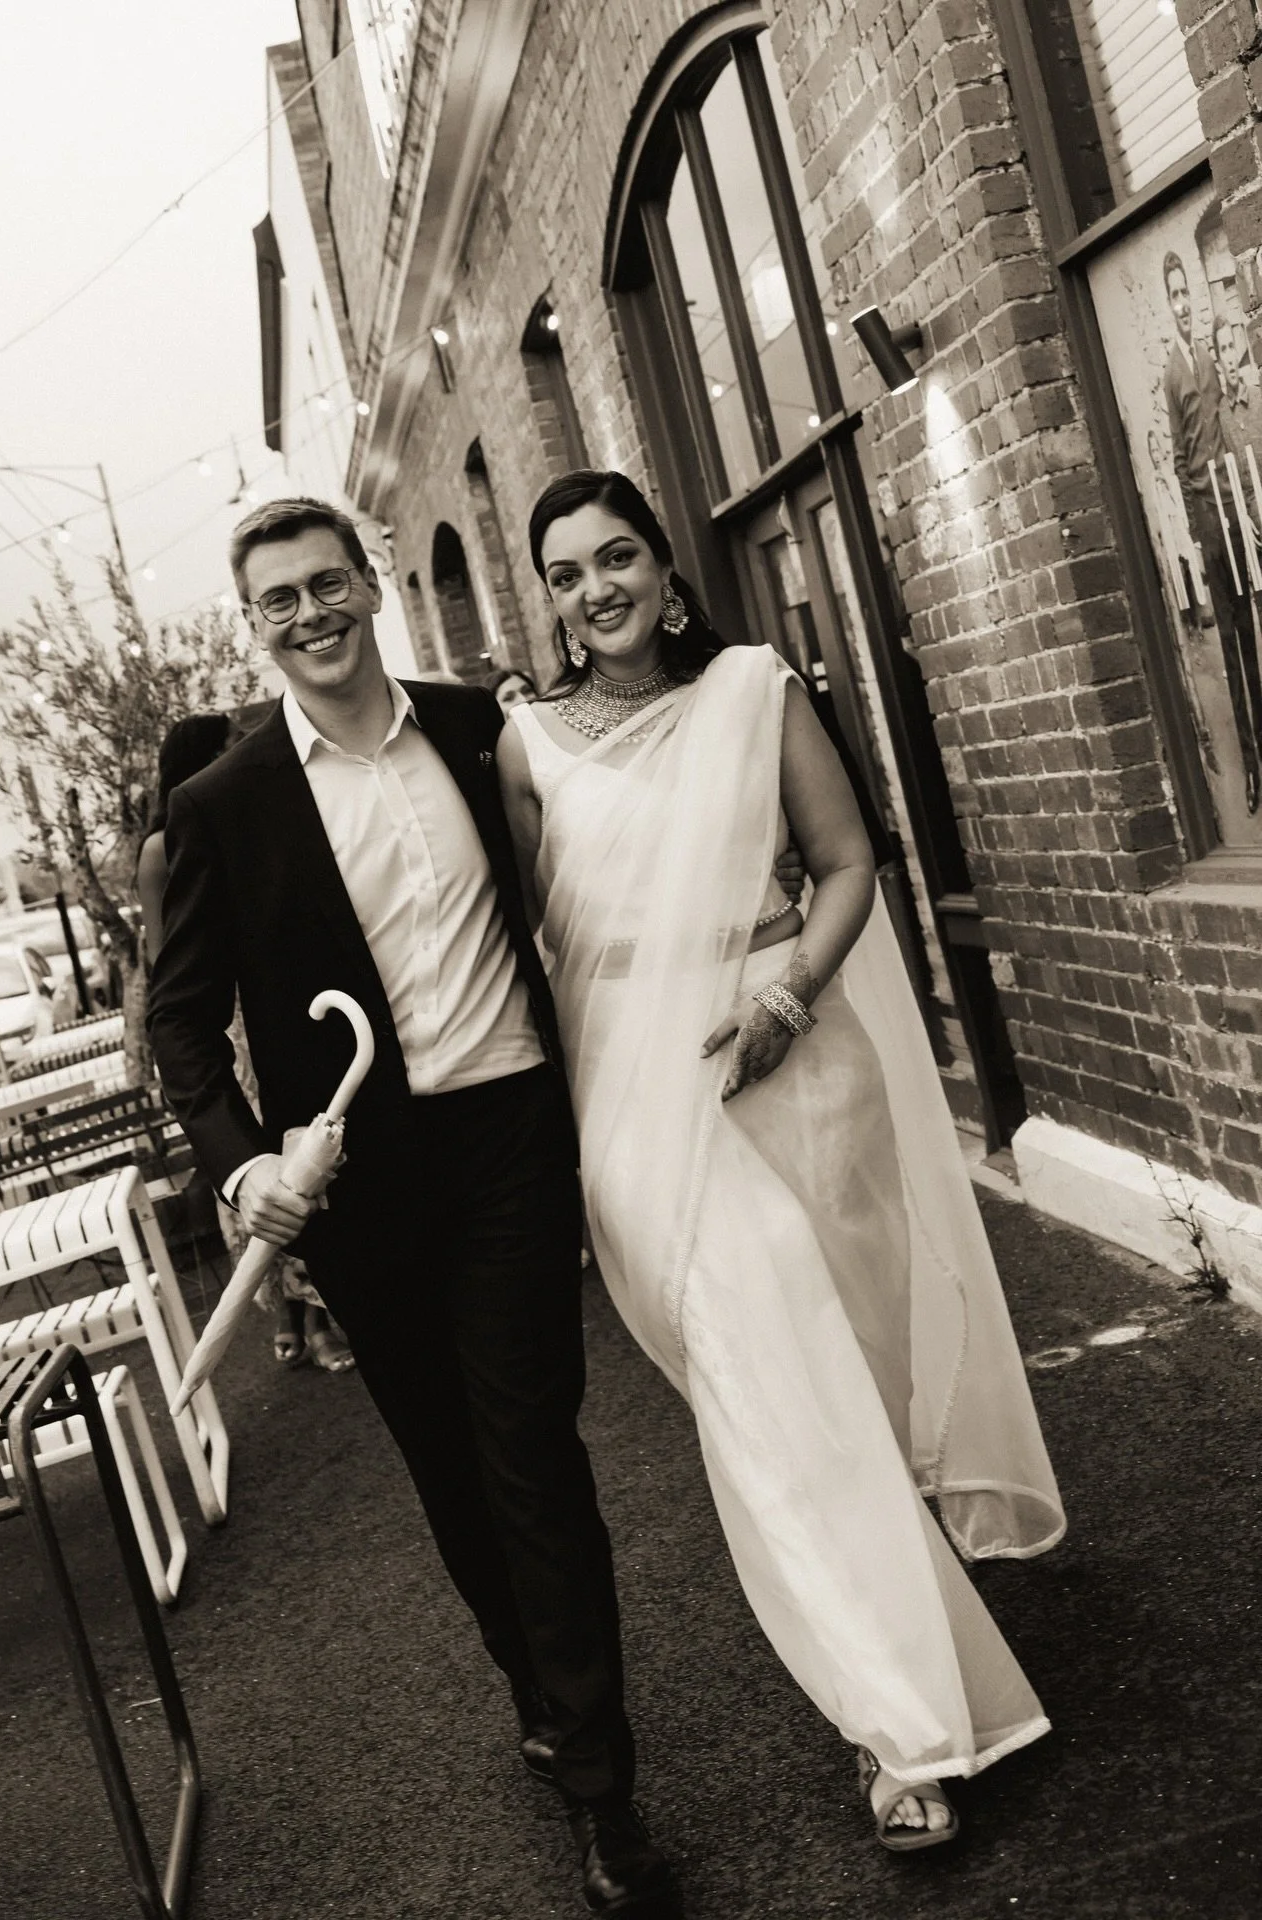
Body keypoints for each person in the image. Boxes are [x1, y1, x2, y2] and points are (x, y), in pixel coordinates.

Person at [498, 469, 1066, 1853]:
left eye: (618, 555)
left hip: (800, 1060)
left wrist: (784, 999)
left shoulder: (754, 690)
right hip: (650, 1113)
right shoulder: (529, 748)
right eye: (567, 574)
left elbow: (849, 860)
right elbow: (544, 949)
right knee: (770, 1410)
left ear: (664, 564)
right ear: (552, 600)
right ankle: (901, 1733)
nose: (597, 589)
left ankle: (903, 1579)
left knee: (853, 1384)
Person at [148, 496, 681, 1918]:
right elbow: (182, 1025)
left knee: (529, 1450)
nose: (312, 615)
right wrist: (243, 1161)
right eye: (280, 601)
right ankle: (541, 1687)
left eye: (331, 584)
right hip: (358, 1184)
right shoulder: (222, 806)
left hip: (510, 1134)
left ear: (372, 588)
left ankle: (603, 1790)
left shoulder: (477, 730)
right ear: (252, 626)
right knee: (453, 1474)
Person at [139, 714, 354, 1376]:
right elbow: (166, 963)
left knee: (305, 1161)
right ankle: (288, 1310)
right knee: (257, 1169)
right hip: (223, 1017)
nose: (238, 756)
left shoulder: (249, 814)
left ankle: (319, 1309)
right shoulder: (160, 849)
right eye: (225, 747)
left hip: (274, 1004)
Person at [1163, 251, 1262, 813]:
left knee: (1254, 639)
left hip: (1239, 513)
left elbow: (1234, 424)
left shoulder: (1210, 356)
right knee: (1229, 641)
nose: (1182, 306)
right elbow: (1180, 460)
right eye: (1173, 296)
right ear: (1167, 302)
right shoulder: (1173, 374)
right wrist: (1197, 534)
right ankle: (1250, 770)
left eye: (1186, 295)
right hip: (1208, 519)